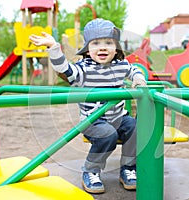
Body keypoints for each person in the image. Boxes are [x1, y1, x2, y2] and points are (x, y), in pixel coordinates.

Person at [29, 18, 146, 194]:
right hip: (93, 120)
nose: (102, 47)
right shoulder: (84, 69)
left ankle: (128, 168)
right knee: (108, 134)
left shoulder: (121, 65)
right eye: (96, 43)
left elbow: (134, 69)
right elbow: (65, 70)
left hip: (118, 117)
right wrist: (54, 48)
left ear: (116, 48)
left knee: (135, 128)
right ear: (87, 49)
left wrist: (138, 78)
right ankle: (91, 171)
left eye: (109, 42)